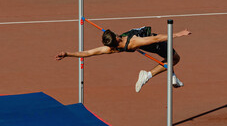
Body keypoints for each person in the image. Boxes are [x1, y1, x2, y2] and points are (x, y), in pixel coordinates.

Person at [55, 26, 192, 92]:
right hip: (154, 44)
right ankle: (147, 75)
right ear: (116, 38)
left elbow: (88, 53)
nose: (116, 33)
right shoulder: (133, 42)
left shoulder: (112, 48)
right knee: (174, 59)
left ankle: (172, 77)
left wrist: (67, 54)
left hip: (147, 41)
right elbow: (156, 38)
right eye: (115, 34)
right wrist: (179, 34)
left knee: (168, 59)